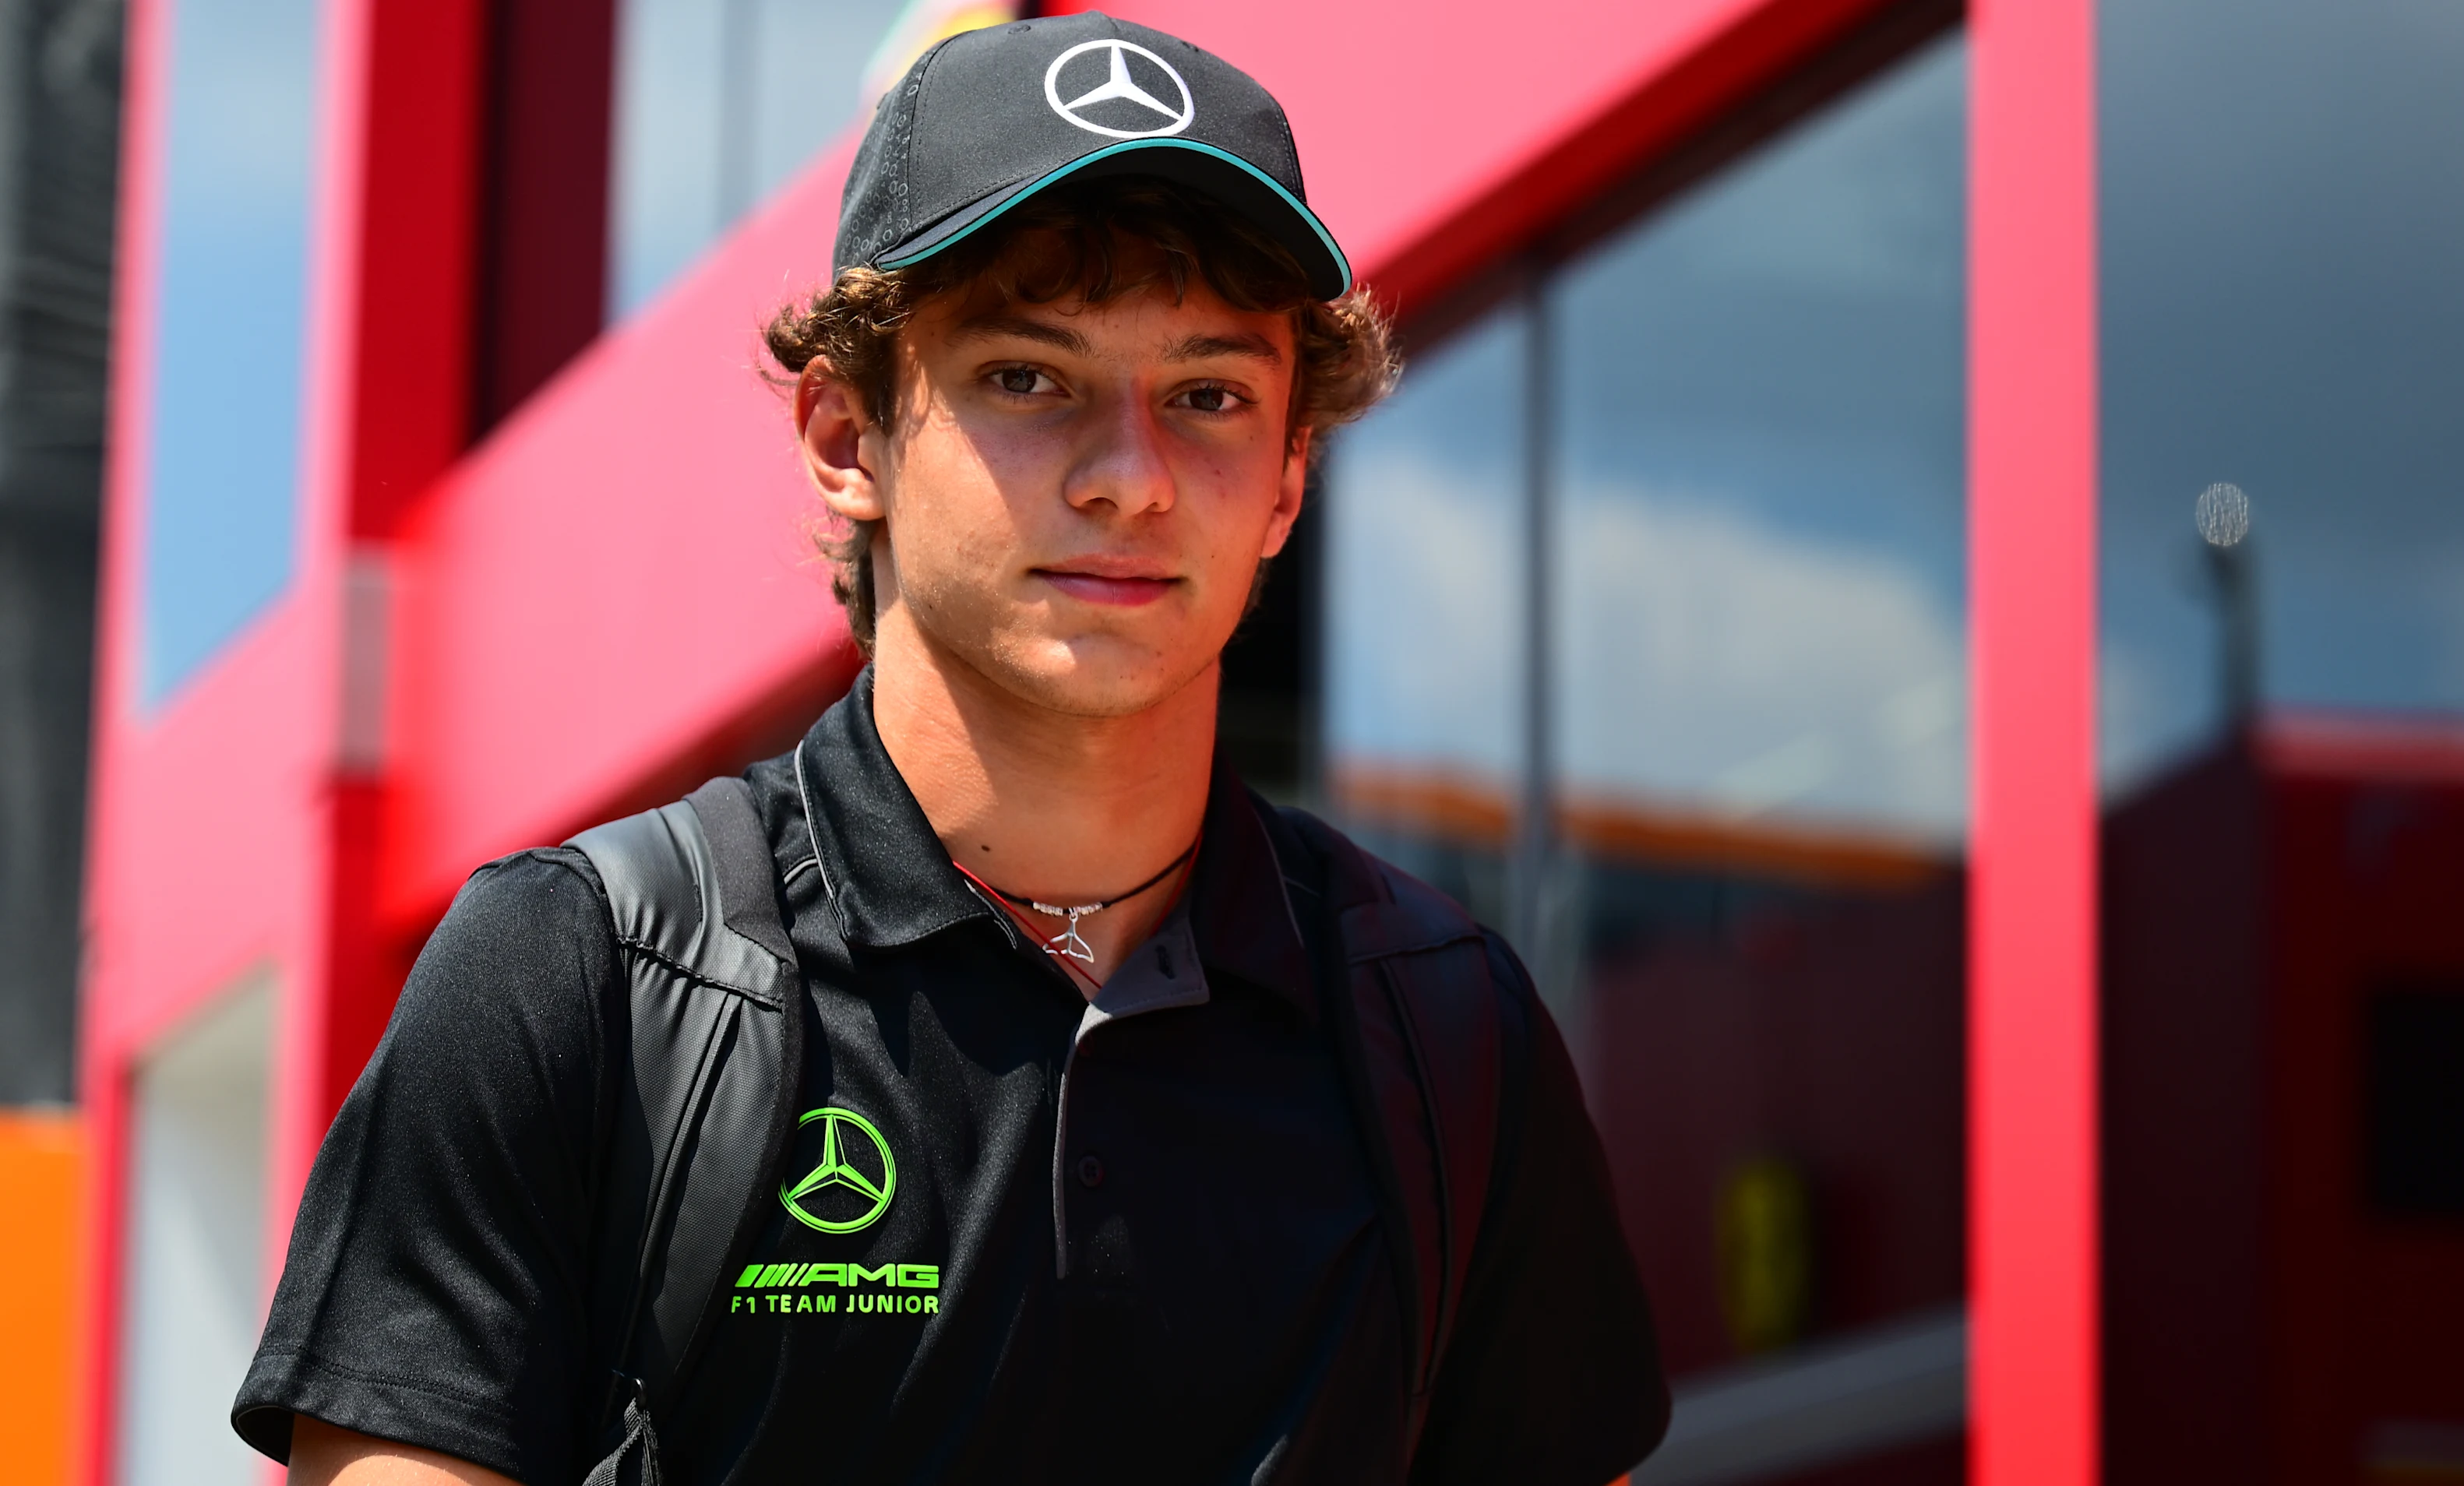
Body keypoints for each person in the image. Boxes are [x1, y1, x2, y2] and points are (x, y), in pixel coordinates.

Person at [232, 12, 1669, 1484]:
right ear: (848, 436)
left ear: (1292, 473)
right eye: (1029, 379)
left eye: (1211, 397)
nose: (1131, 477)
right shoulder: (592, 974)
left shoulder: (1443, 1028)